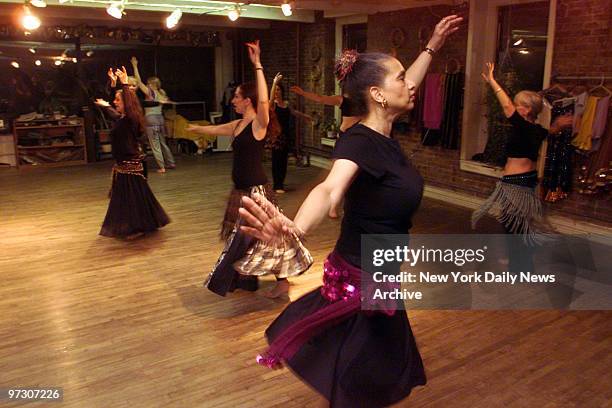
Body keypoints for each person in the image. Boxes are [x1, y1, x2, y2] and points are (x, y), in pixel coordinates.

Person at [238, 16, 462, 407]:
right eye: (400, 79)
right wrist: (297, 227)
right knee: (365, 366)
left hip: (380, 269)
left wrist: (434, 46)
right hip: (364, 274)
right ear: (376, 94)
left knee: (367, 363)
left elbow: (409, 80)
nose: (410, 84)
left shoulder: (385, 137)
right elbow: (329, 187)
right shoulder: (358, 141)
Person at [187, 41, 311, 299]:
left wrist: (257, 65)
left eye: (236, 97)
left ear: (247, 100)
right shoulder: (238, 124)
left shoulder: (258, 124)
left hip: (257, 193)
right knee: (249, 238)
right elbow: (215, 130)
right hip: (241, 191)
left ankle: (282, 282)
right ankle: (248, 279)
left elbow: (265, 101)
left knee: (269, 238)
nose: (233, 100)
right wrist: (194, 129)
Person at [472, 62, 573, 272]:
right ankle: (518, 262)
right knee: (518, 223)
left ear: (526, 110)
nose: (514, 108)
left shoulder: (524, 126)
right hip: (526, 180)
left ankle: (521, 267)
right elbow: (551, 131)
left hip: (516, 183)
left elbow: (507, 106)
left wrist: (492, 81)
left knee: (513, 225)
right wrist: (560, 125)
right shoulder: (536, 130)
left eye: (518, 105)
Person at [96, 66, 170, 239]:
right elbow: (114, 113)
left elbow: (127, 102)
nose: (115, 102)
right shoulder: (123, 119)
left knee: (131, 199)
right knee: (136, 197)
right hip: (125, 165)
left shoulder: (130, 118)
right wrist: (112, 92)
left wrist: (124, 84)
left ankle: (136, 228)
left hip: (130, 165)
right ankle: (146, 223)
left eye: (117, 100)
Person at [131, 57, 176, 173]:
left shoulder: (150, 92)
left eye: (148, 83)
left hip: (151, 121)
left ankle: (162, 167)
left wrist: (135, 66)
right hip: (161, 120)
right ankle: (171, 162)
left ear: (151, 84)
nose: (146, 84)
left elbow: (138, 81)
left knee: (155, 144)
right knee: (163, 143)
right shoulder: (162, 93)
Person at [269, 79, 312, 193]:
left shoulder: (286, 104)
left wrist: (305, 116)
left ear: (282, 91)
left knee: (283, 160)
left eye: (279, 90)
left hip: (286, 136)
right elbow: (271, 99)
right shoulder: (273, 104)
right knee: (276, 160)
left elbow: (294, 112)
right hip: (276, 137)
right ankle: (277, 185)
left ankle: (281, 184)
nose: (277, 92)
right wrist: (274, 83)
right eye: (275, 90)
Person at [289, 86, 359, 133]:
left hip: (357, 136)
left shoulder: (366, 103)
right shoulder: (343, 100)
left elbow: (320, 98)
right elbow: (320, 98)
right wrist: (303, 93)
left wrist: (303, 93)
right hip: (347, 134)